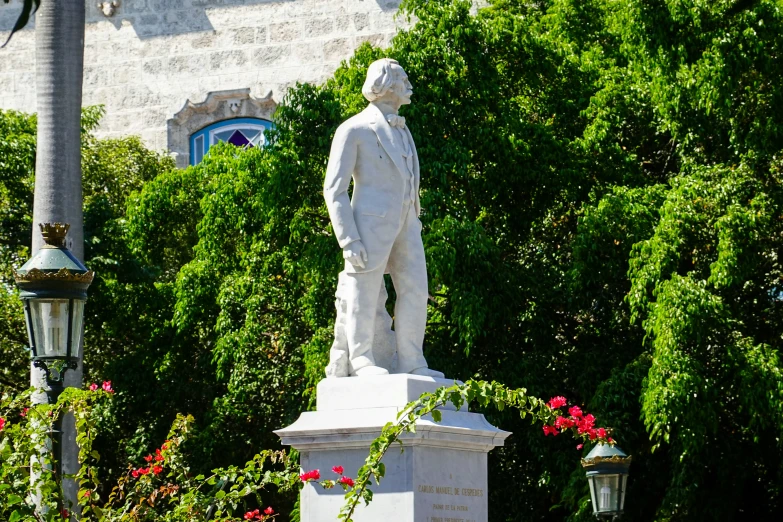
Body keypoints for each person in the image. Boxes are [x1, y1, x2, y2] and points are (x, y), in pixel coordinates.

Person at [323, 58, 443, 378]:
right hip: (369, 225)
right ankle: (361, 358)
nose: (408, 85)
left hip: (407, 225)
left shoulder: (404, 131)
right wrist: (349, 239)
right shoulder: (354, 129)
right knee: (364, 290)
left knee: (416, 289)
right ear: (387, 84)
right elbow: (334, 190)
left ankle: (411, 359)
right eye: (403, 79)